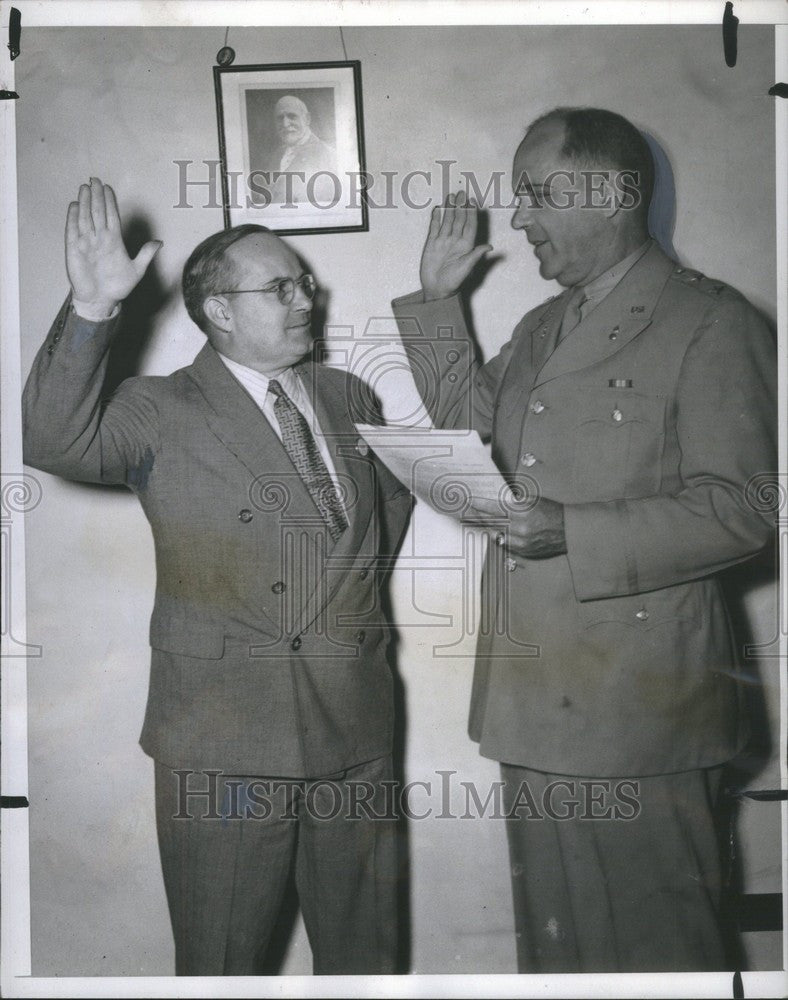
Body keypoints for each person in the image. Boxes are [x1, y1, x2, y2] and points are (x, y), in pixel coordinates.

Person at [392, 107, 776, 972]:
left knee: (657, 956)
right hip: (535, 702)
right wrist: (436, 302)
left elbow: (751, 509)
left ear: (607, 192)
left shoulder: (712, 322)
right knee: (560, 958)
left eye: (534, 194)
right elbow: (474, 435)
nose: (518, 216)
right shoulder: (542, 325)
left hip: (642, 716)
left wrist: (572, 532)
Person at [23, 177, 411, 975]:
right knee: (222, 966)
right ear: (222, 311)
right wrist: (94, 309)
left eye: (304, 281)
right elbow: (55, 442)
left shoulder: (348, 393)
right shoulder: (159, 406)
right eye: (281, 287)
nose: (306, 297)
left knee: (367, 963)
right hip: (224, 741)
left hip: (356, 726)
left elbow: (384, 514)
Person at [262, 95, 337, 206]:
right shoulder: (277, 155)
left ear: (307, 119)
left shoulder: (329, 155)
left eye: (292, 116)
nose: (285, 124)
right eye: (280, 118)